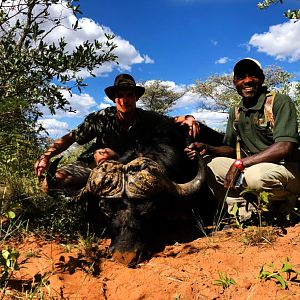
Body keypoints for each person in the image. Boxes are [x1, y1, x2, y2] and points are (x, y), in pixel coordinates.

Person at [34, 73, 199, 194]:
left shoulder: (147, 118)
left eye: (129, 95)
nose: (124, 100)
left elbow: (172, 120)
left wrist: (188, 117)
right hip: (92, 167)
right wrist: (46, 156)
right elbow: (70, 138)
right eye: (120, 96)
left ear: (136, 97)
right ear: (114, 99)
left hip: (127, 172)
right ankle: (88, 196)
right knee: (51, 184)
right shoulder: (100, 118)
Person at [186, 58, 300, 222]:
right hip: (254, 166)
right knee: (209, 165)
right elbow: (230, 148)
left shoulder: (279, 101)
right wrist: (207, 147)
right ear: (235, 82)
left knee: (256, 176)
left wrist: (241, 163)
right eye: (241, 77)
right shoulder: (236, 112)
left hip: (286, 169)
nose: (247, 81)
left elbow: (285, 147)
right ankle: (247, 215)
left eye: (252, 75)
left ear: (261, 78)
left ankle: (285, 207)